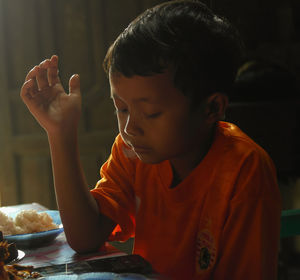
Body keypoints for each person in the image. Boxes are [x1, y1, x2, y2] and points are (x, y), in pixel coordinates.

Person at [20, 0, 281, 279]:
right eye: (121, 108)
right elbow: (85, 237)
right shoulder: (132, 152)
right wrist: (61, 134)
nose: (130, 128)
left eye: (151, 113)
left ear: (212, 108)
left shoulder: (244, 171)